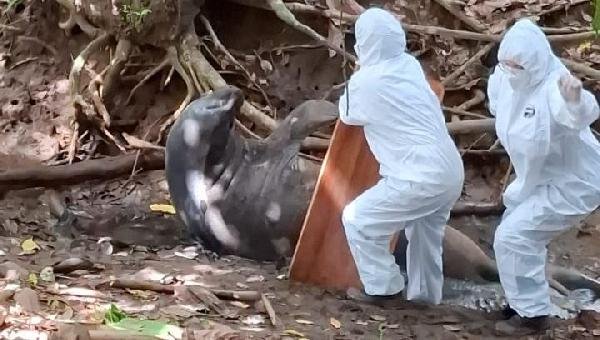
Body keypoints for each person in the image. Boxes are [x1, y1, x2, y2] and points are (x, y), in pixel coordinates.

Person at [339, 8, 464, 305]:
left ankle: (385, 288)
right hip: (450, 171)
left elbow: (347, 114)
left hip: (418, 176)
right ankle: (424, 299)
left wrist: (357, 74)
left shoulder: (365, 83)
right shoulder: (408, 65)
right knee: (425, 236)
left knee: (359, 220)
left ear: (364, 44)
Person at [487, 19, 600, 336]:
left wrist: (575, 101)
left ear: (535, 60)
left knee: (514, 236)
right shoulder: (504, 79)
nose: (511, 69)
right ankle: (520, 301)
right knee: (517, 234)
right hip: (537, 179)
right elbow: (501, 106)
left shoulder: (554, 84)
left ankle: (533, 316)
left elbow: (578, 113)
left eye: (518, 64)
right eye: (506, 62)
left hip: (575, 181)